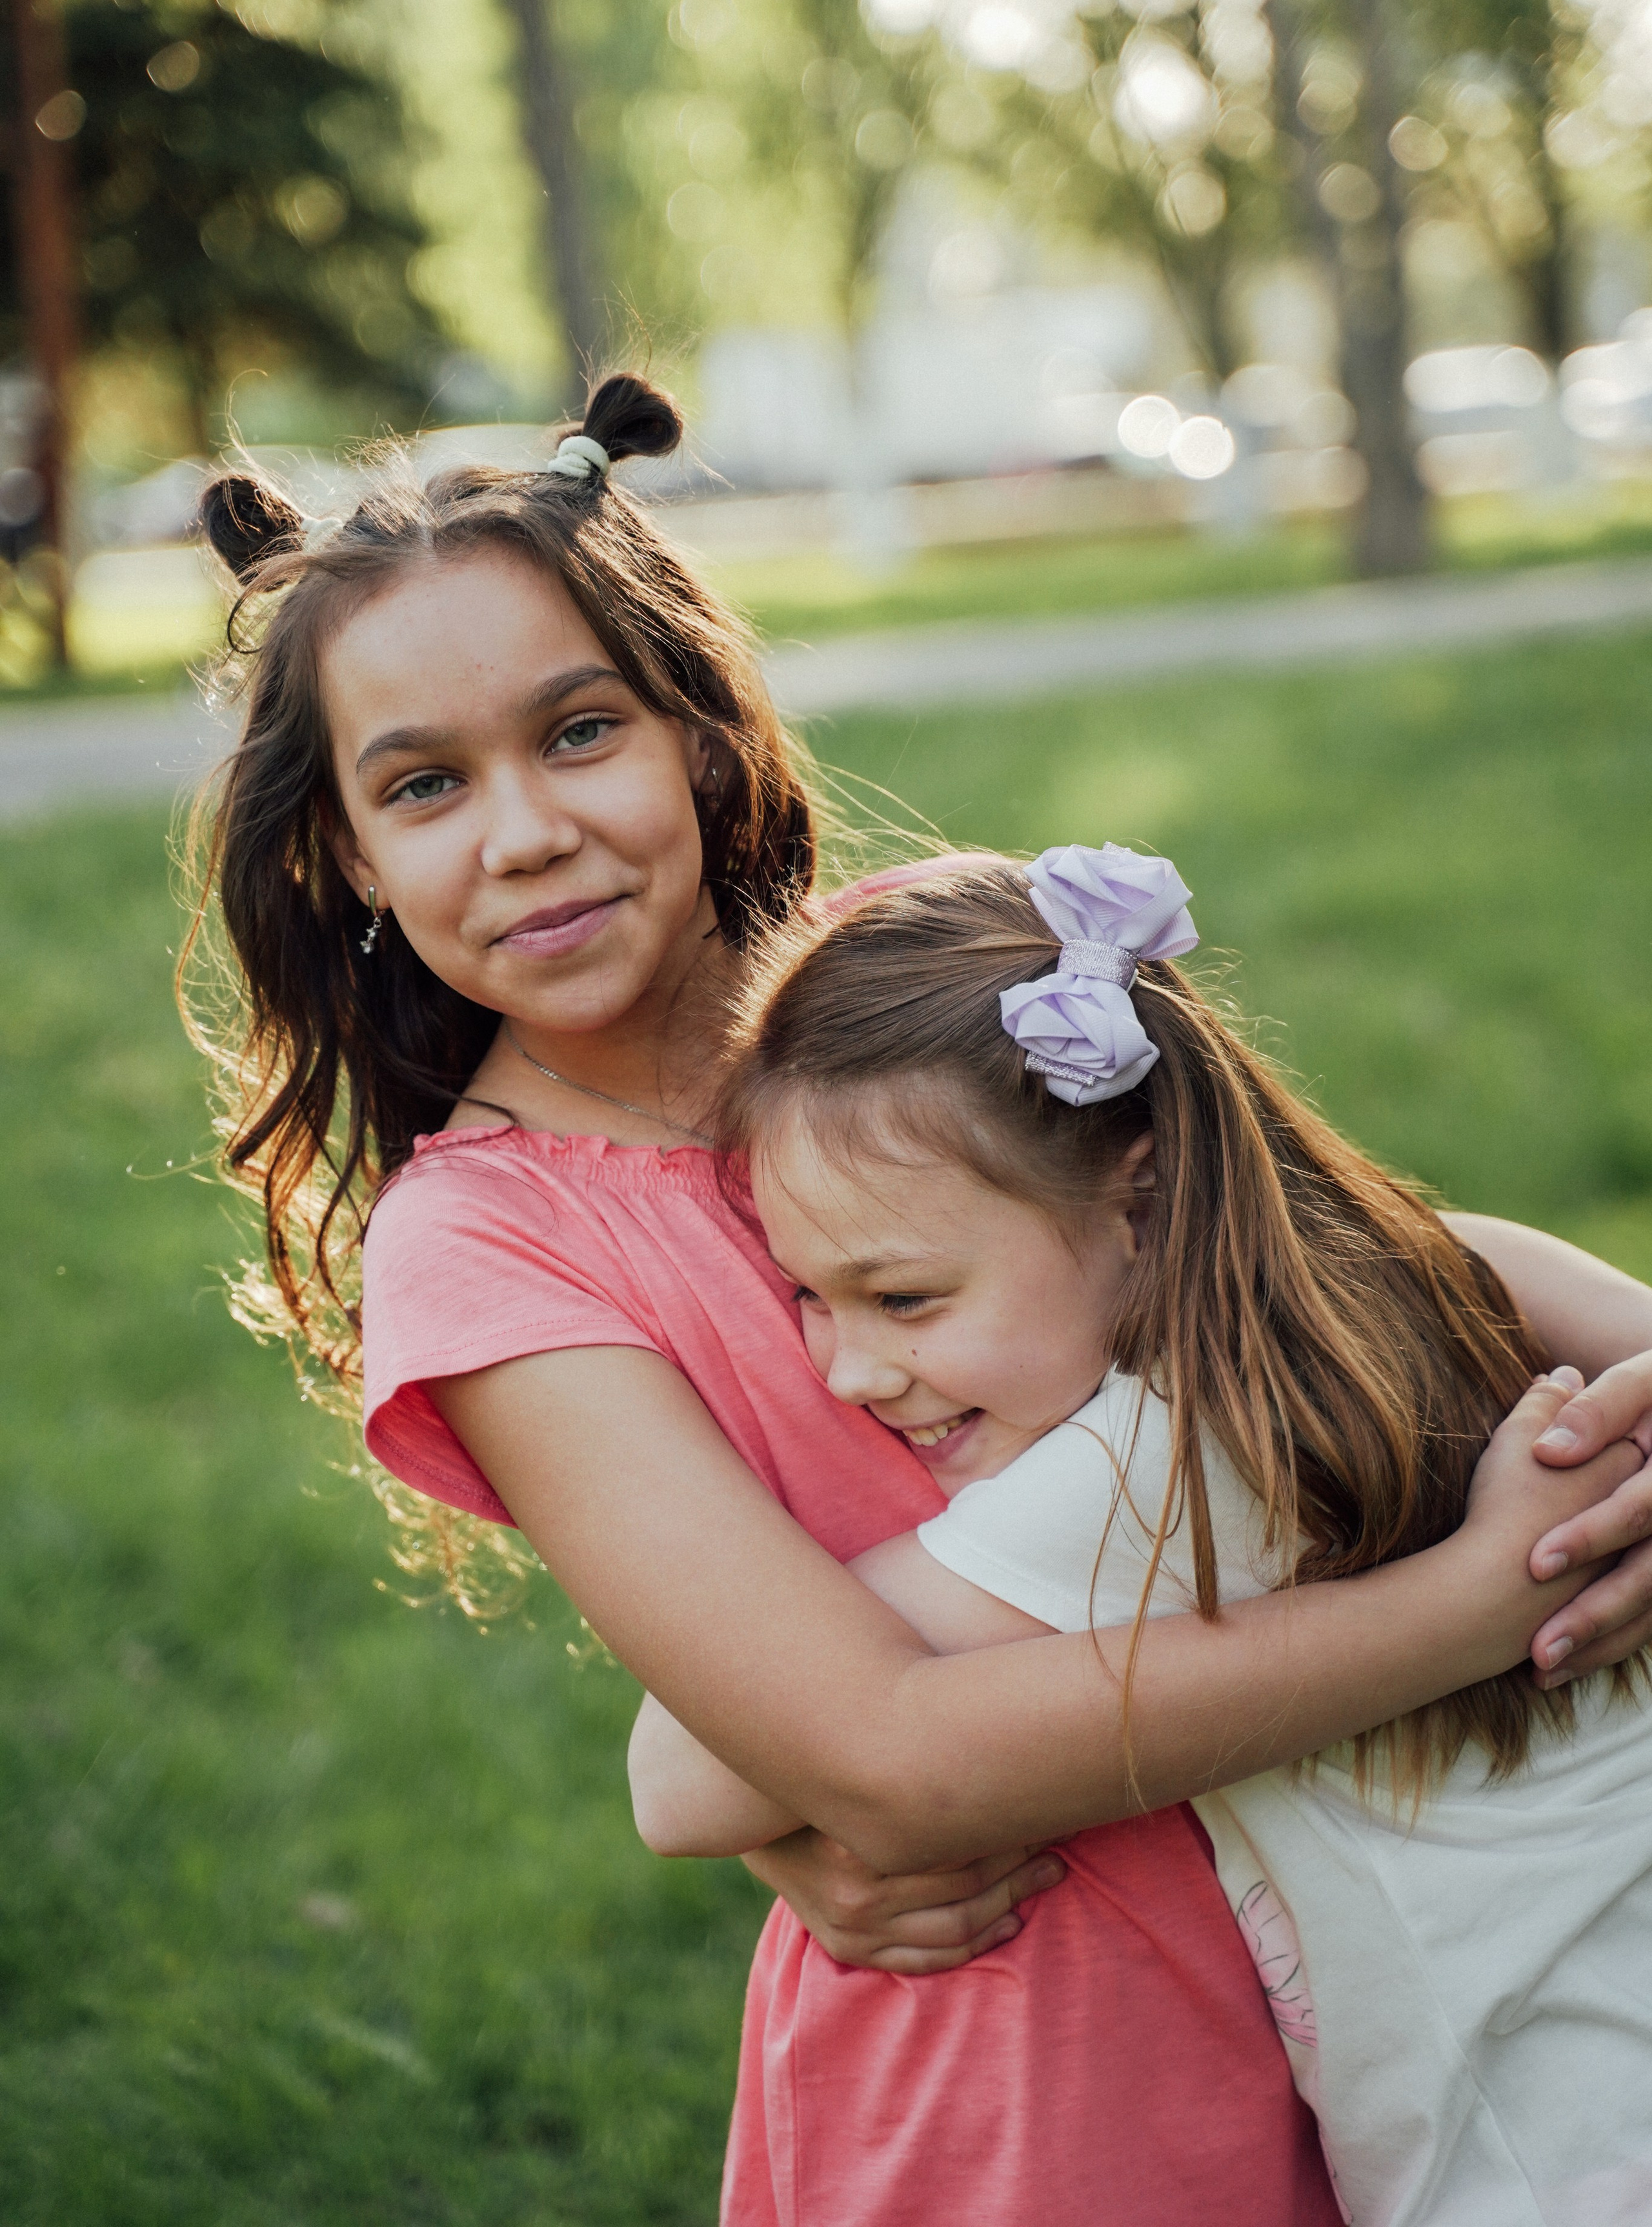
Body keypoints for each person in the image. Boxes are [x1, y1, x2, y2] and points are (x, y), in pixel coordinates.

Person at [181, 371, 1652, 2227]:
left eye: (579, 732)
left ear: (702, 734)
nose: (526, 829)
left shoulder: (922, 1024)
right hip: (1019, 2060)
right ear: (344, 856)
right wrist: (1483, 1599)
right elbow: (862, 1743)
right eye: (424, 784)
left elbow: (1309, 1269)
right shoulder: (488, 1246)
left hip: (1382, 1974)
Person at [631, 845, 1652, 2224]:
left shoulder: (1160, 1461)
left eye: (905, 1299)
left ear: (1142, 1198)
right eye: (808, 1298)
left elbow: (681, 1776)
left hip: (1550, 2159)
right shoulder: (1433, 1274)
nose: (848, 1370)